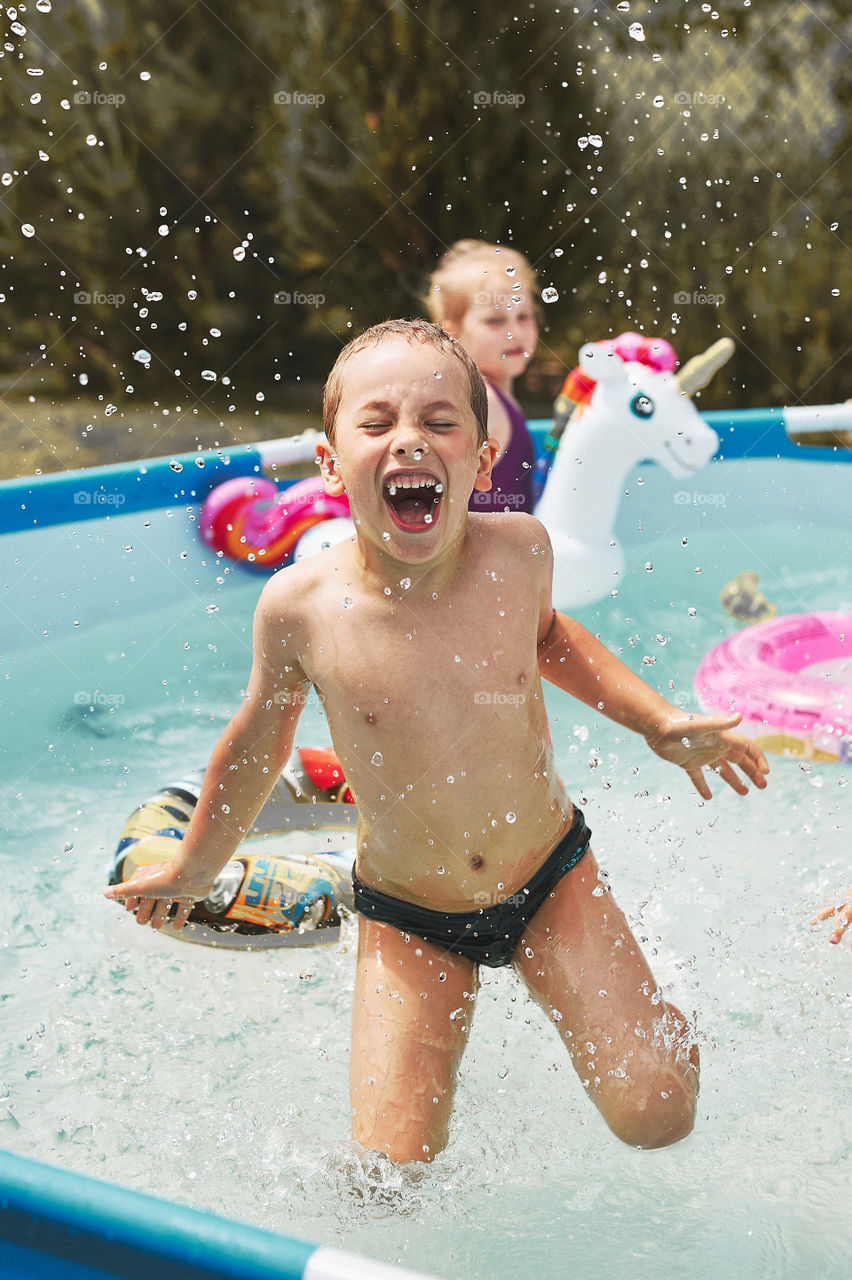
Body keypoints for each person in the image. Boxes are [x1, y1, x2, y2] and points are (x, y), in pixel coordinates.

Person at [105, 319, 770, 1164]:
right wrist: (198, 866)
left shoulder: (517, 551)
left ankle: (654, 1007)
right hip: (409, 914)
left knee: (657, 1113)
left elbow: (550, 639)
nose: (409, 440)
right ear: (330, 462)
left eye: (440, 422)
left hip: (548, 877)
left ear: (481, 460)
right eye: (376, 423)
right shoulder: (300, 607)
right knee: (392, 1171)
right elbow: (255, 745)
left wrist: (657, 721)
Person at [426, 240, 538, 513]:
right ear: (452, 333)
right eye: (495, 321)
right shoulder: (483, 401)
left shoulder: (498, 396)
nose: (515, 332)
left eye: (523, 316)